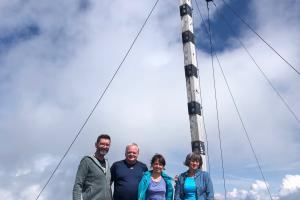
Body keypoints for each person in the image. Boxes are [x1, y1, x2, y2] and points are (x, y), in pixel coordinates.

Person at [73, 134, 112, 200]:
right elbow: (78, 185)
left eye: (107, 145)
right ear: (96, 145)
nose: (105, 147)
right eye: (102, 144)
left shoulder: (107, 163)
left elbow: (108, 186)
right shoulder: (87, 161)